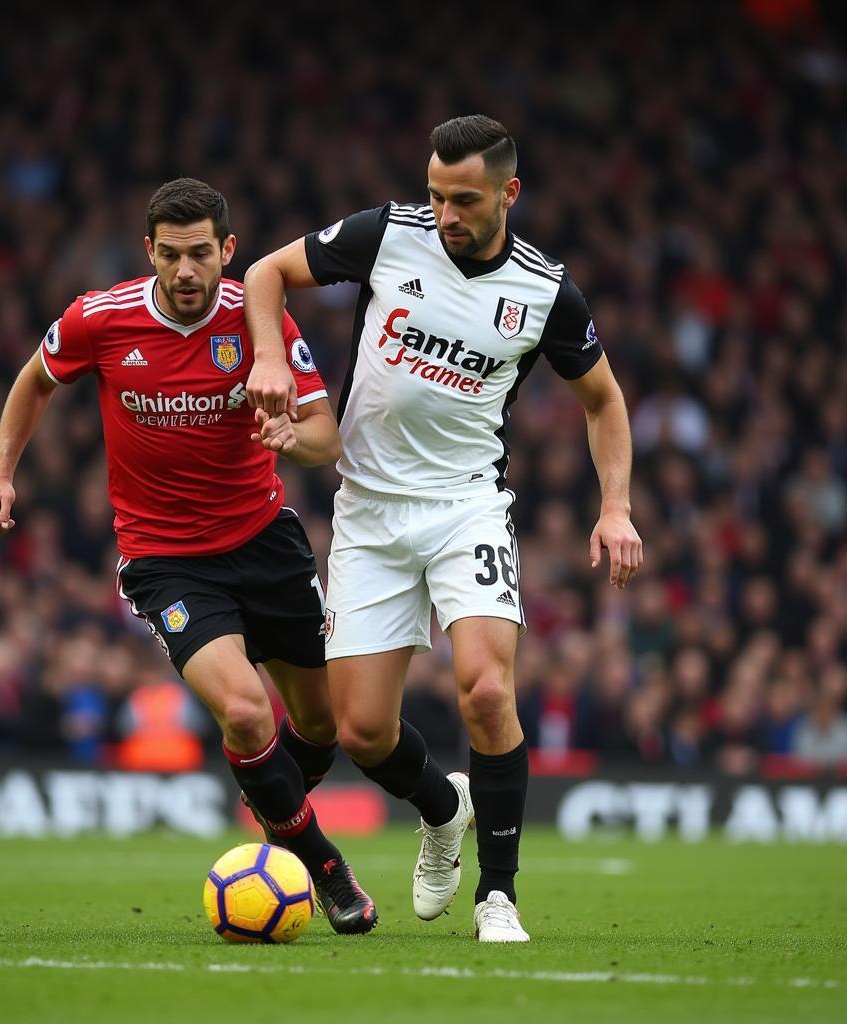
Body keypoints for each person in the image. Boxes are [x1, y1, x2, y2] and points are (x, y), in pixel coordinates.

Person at [243, 116, 643, 943]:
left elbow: (603, 400)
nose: (445, 213)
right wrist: (271, 359)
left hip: (467, 506)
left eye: (463, 199)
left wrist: (614, 507)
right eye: (435, 194)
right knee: (361, 731)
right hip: (369, 509)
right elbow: (265, 272)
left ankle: (498, 896)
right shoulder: (388, 233)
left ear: (509, 193)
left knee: (488, 690)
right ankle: (442, 806)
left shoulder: (545, 290)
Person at [0, 177, 377, 935]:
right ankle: (324, 865)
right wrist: (1, 475)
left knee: (322, 725)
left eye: (200, 254)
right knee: (249, 714)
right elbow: (33, 382)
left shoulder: (261, 323)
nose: (186, 271)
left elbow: (327, 434)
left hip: (266, 542)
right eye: (170, 255)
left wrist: (294, 437)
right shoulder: (99, 318)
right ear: (148, 253)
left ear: (227, 251)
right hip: (167, 560)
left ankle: (278, 826)